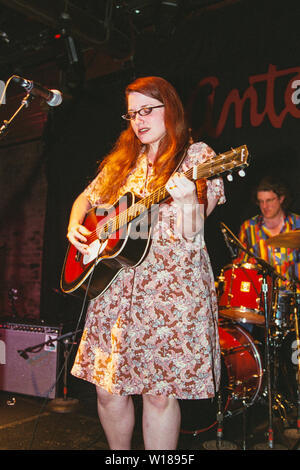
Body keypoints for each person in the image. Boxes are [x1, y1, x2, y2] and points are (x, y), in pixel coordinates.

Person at [66, 76, 225, 450]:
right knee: (108, 391)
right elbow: (83, 200)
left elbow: (193, 232)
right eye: (132, 113)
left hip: (170, 293)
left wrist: (187, 201)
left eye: (147, 110)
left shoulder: (197, 156)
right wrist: (76, 225)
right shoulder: (124, 163)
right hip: (116, 288)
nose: (138, 120)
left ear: (170, 109)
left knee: (158, 394)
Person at [236, 175, 300, 289]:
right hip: (262, 297)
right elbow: (242, 268)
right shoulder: (248, 228)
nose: (265, 206)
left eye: (269, 200)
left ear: (281, 198)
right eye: (261, 201)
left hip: (294, 297)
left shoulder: (297, 224)